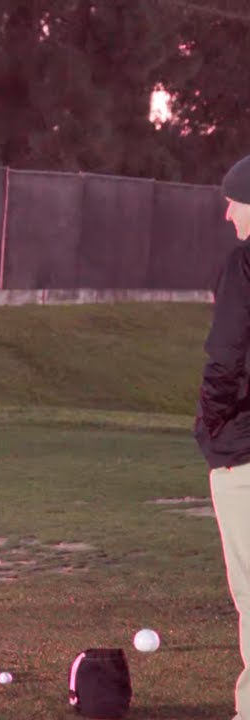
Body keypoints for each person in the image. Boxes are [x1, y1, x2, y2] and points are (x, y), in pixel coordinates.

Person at [196, 153, 250, 720]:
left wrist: (211, 427)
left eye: (235, 201)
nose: (229, 213)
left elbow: (225, 356)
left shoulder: (244, 266)